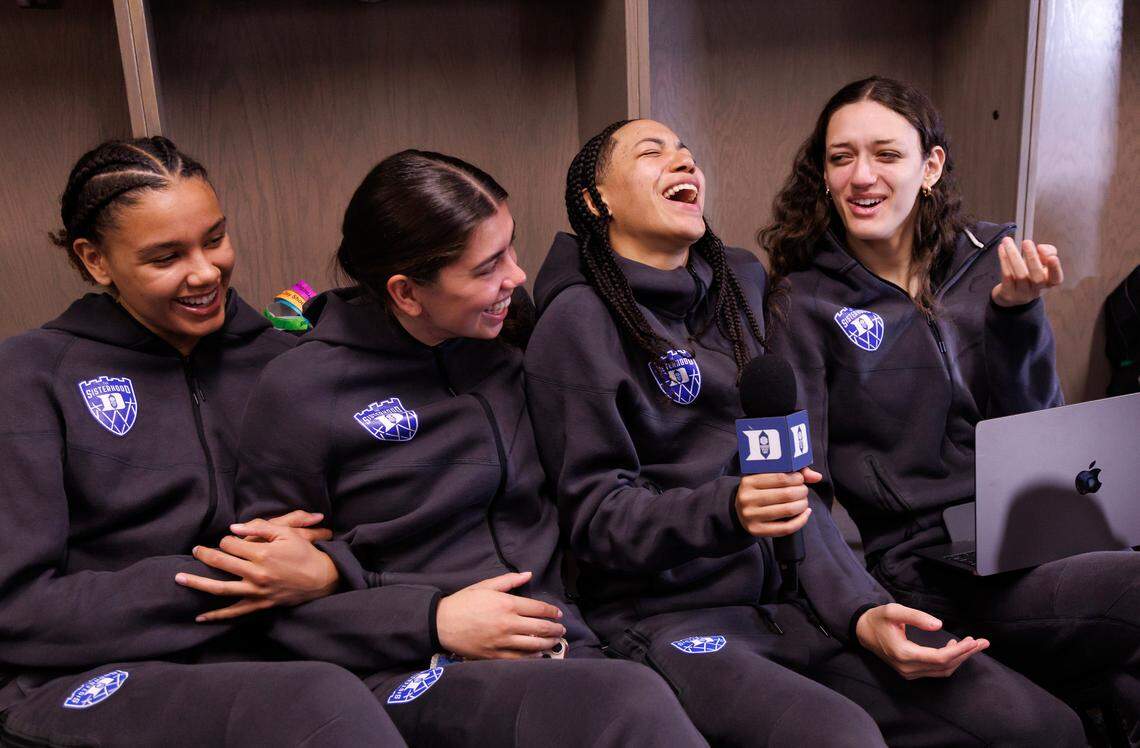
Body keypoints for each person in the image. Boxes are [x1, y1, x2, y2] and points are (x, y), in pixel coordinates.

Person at [524, 117, 1086, 746]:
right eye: (652, 154)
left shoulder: (741, 286)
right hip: (667, 619)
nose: (683, 162)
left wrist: (861, 609)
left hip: (796, 602)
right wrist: (728, 509)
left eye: (686, 151)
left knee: (1040, 726)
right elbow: (595, 517)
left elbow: (799, 485)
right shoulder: (575, 321)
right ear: (597, 201)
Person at [213, 149, 706, 747]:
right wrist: (432, 620)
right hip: (404, 671)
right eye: (487, 266)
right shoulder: (299, 391)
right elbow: (268, 611)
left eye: (512, 248)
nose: (517, 277)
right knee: (623, 702)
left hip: (559, 647)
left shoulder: (509, 336)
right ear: (407, 293)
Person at [761, 75, 1139, 742]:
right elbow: (798, 494)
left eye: (886, 154)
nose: (861, 175)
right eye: (840, 156)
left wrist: (1017, 321)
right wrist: (860, 609)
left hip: (1029, 538)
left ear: (930, 167)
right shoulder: (807, 302)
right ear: (823, 174)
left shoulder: (991, 260)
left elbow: (1040, 437)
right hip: (925, 568)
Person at [0, 137, 405, 747]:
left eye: (214, 239)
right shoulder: (28, 375)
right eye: (166, 256)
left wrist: (327, 572)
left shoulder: (292, 363)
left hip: (292, 656)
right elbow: (17, 606)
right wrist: (234, 580)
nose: (205, 271)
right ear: (95, 260)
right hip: (85, 676)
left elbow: (367, 537)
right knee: (312, 702)